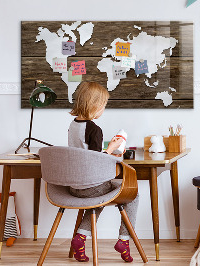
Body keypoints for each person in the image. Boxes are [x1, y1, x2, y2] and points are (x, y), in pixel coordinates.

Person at [68, 81, 138, 263]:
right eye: (104, 106)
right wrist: (112, 149)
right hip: (91, 186)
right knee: (133, 194)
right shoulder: (94, 129)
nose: (103, 110)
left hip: (74, 186)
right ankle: (124, 240)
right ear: (96, 106)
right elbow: (95, 161)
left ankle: (80, 238)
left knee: (99, 198)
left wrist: (107, 149)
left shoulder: (73, 125)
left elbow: (85, 154)